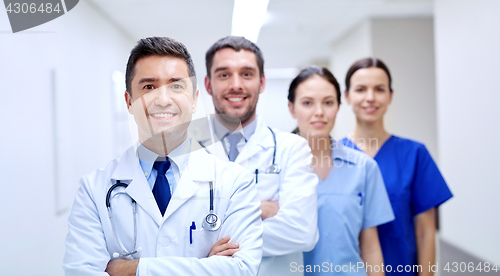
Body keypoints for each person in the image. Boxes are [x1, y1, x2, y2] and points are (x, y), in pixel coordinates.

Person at [62, 36, 263, 276]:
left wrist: (133, 269)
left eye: (176, 86)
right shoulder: (94, 190)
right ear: (129, 101)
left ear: (194, 99)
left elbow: (241, 270)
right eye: (149, 87)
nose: (163, 99)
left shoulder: (235, 182)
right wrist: (206, 266)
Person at [193, 36, 319, 275]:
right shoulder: (180, 148)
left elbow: (302, 232)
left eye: (247, 74)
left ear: (261, 82)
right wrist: (256, 209)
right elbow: (169, 233)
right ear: (208, 85)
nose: (236, 85)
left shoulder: (292, 148)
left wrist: (208, 230)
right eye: (224, 74)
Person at [340, 58, 453, 276]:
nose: (370, 98)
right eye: (361, 89)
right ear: (347, 96)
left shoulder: (414, 154)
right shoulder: (332, 156)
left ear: (390, 96)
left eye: (379, 89)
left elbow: (425, 231)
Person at [287, 66, 394, 275]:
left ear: (338, 106)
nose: (319, 112)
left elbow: (371, 248)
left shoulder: (364, 168)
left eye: (328, 103)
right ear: (292, 108)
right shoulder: (275, 169)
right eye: (307, 103)